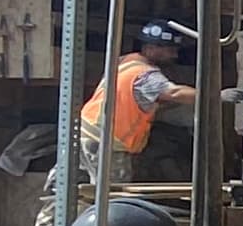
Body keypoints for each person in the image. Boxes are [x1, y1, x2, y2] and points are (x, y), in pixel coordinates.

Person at [76, 23, 198, 192]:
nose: (174, 55)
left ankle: (50, 219)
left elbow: (130, 100)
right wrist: (215, 95)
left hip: (84, 135)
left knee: (68, 191)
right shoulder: (145, 74)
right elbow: (175, 92)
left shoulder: (124, 63)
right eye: (170, 50)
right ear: (150, 48)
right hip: (108, 144)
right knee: (112, 198)